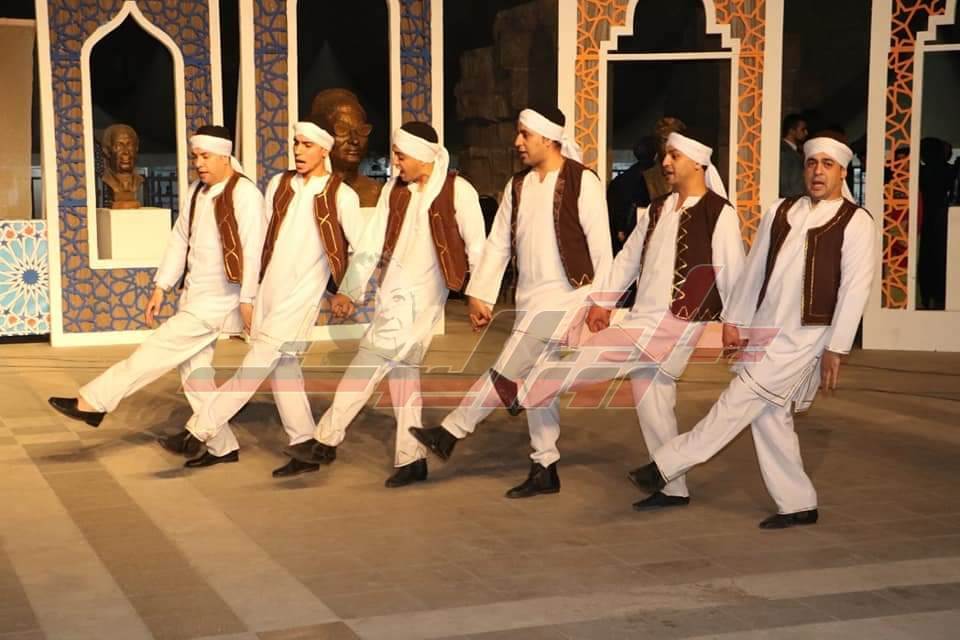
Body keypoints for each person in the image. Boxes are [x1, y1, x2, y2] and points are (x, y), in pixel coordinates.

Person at [631, 133, 877, 529]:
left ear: (842, 172)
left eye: (828, 165)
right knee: (769, 416)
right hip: (765, 328)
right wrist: (737, 321)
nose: (818, 171)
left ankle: (665, 465)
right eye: (812, 163)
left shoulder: (856, 221)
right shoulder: (782, 210)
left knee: (738, 399)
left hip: (807, 337)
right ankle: (798, 503)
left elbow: (855, 287)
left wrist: (838, 347)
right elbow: (754, 270)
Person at [516, 131, 745, 510]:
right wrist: (603, 302)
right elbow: (627, 260)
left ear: (698, 163)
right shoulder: (658, 209)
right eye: (665, 155)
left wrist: (735, 322)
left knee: (591, 355)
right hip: (645, 316)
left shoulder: (719, 212)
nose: (665, 163)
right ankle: (673, 488)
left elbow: (734, 272)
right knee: (653, 402)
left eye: (674, 156)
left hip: (679, 322)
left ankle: (528, 389)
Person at [410, 106, 612, 498]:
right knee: (537, 383)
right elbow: (499, 243)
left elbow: (602, 249)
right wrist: (481, 294)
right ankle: (545, 466)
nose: (517, 142)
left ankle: (451, 431)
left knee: (506, 370)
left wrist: (601, 302)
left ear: (547, 138)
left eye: (525, 135)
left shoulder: (582, 181)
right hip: (529, 300)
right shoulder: (517, 185)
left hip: (570, 297)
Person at [285, 121, 487, 488]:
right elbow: (372, 242)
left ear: (423, 157)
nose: (395, 162)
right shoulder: (395, 189)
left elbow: (477, 246)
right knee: (403, 376)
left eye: (401, 155)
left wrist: (480, 296)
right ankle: (412, 459)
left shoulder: (458, 190)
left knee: (368, 361)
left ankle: (325, 440)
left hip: (423, 299)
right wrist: (349, 290)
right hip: (391, 295)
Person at [166, 121, 365, 473]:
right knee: (284, 371)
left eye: (306, 145)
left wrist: (347, 291)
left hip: (302, 298)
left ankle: (197, 431)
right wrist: (250, 294)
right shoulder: (279, 184)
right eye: (296, 143)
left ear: (324, 150)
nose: (298, 150)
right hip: (270, 290)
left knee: (255, 364)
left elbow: (363, 248)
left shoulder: (342, 195)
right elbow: (261, 243)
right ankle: (304, 444)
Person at [48, 126, 265, 438]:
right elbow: (179, 239)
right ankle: (219, 445)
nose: (198, 163)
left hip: (221, 299)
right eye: (195, 157)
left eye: (205, 156)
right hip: (194, 295)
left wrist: (248, 299)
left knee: (155, 349)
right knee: (196, 375)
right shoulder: (196, 190)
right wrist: (160, 287)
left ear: (224, 156)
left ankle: (93, 401)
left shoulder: (245, 194)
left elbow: (255, 251)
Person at [779, 113, 808, 197]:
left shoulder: (796, 151)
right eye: (803, 129)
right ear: (791, 131)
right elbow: (784, 185)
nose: (806, 133)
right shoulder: (784, 152)